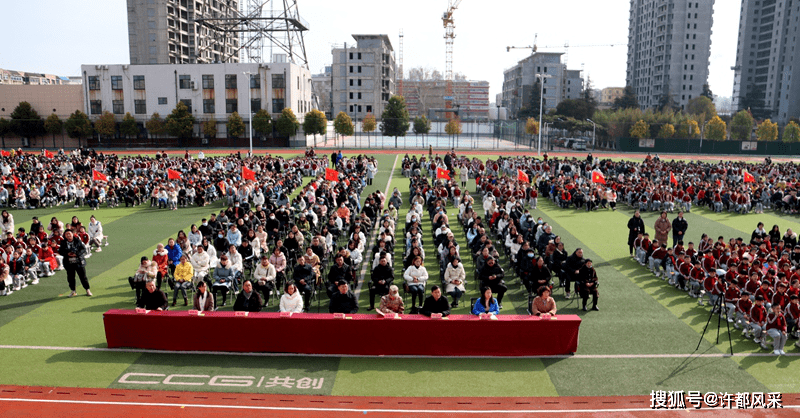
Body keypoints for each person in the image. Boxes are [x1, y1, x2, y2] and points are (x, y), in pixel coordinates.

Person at [59, 229, 91, 297]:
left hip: (79, 262)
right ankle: (73, 291)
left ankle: (87, 289)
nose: (68, 235)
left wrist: (77, 254)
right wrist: (68, 253)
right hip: (69, 263)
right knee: (70, 278)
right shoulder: (63, 242)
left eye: (69, 233)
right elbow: (61, 251)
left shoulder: (78, 240)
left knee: (83, 277)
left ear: (72, 234)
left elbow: (83, 249)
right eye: (66, 234)